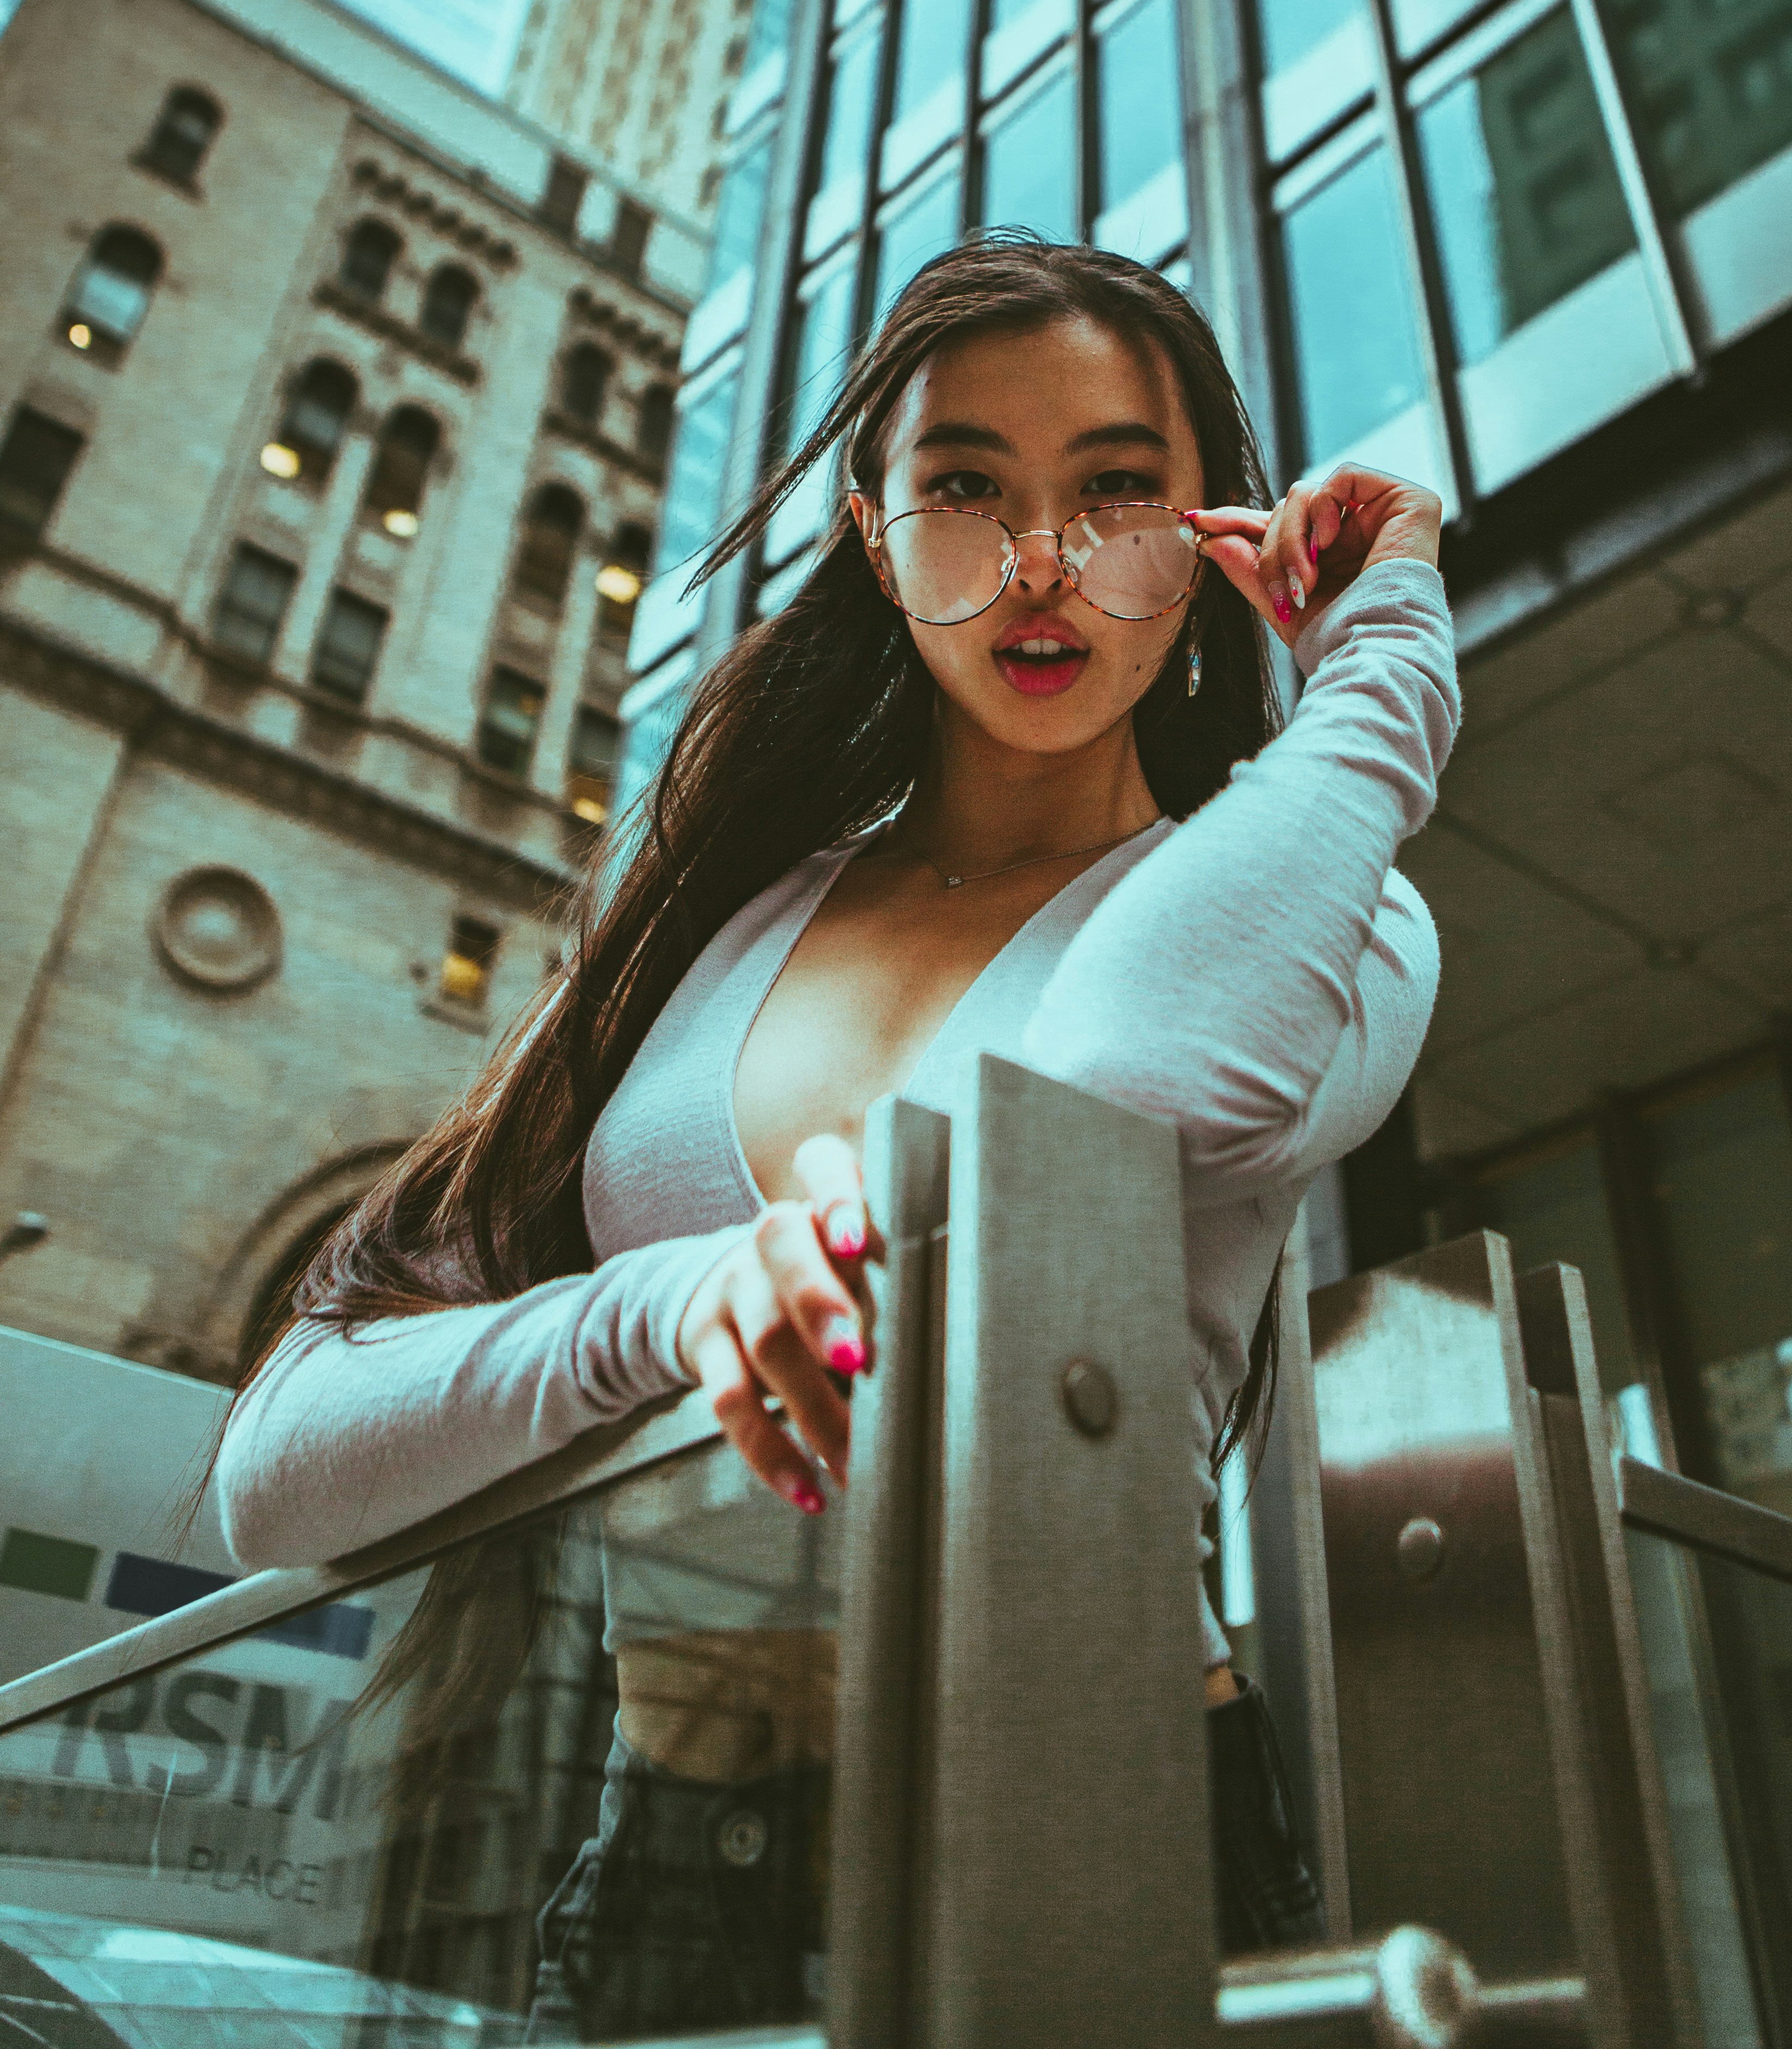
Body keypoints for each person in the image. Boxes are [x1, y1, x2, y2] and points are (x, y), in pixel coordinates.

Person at [214, 235, 1458, 2034]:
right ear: (876, 540)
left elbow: (1102, 1101)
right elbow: (279, 1464)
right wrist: (670, 1307)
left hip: (1100, 1838)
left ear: (1212, 541)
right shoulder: (709, 921)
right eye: (966, 490)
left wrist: (1388, 665)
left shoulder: (1328, 907)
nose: (1040, 567)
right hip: (664, 1875)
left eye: (1117, 493)